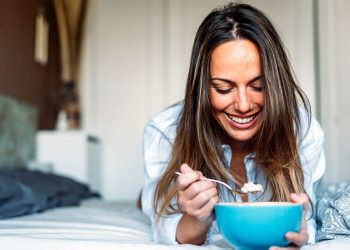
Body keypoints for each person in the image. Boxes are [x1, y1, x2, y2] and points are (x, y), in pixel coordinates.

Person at [142, 3, 325, 249]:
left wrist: (301, 233)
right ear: (201, 89)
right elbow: (166, 227)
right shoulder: (164, 131)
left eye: (259, 87)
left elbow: (307, 221)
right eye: (224, 88)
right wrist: (197, 217)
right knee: (145, 201)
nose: (243, 105)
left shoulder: (303, 129)